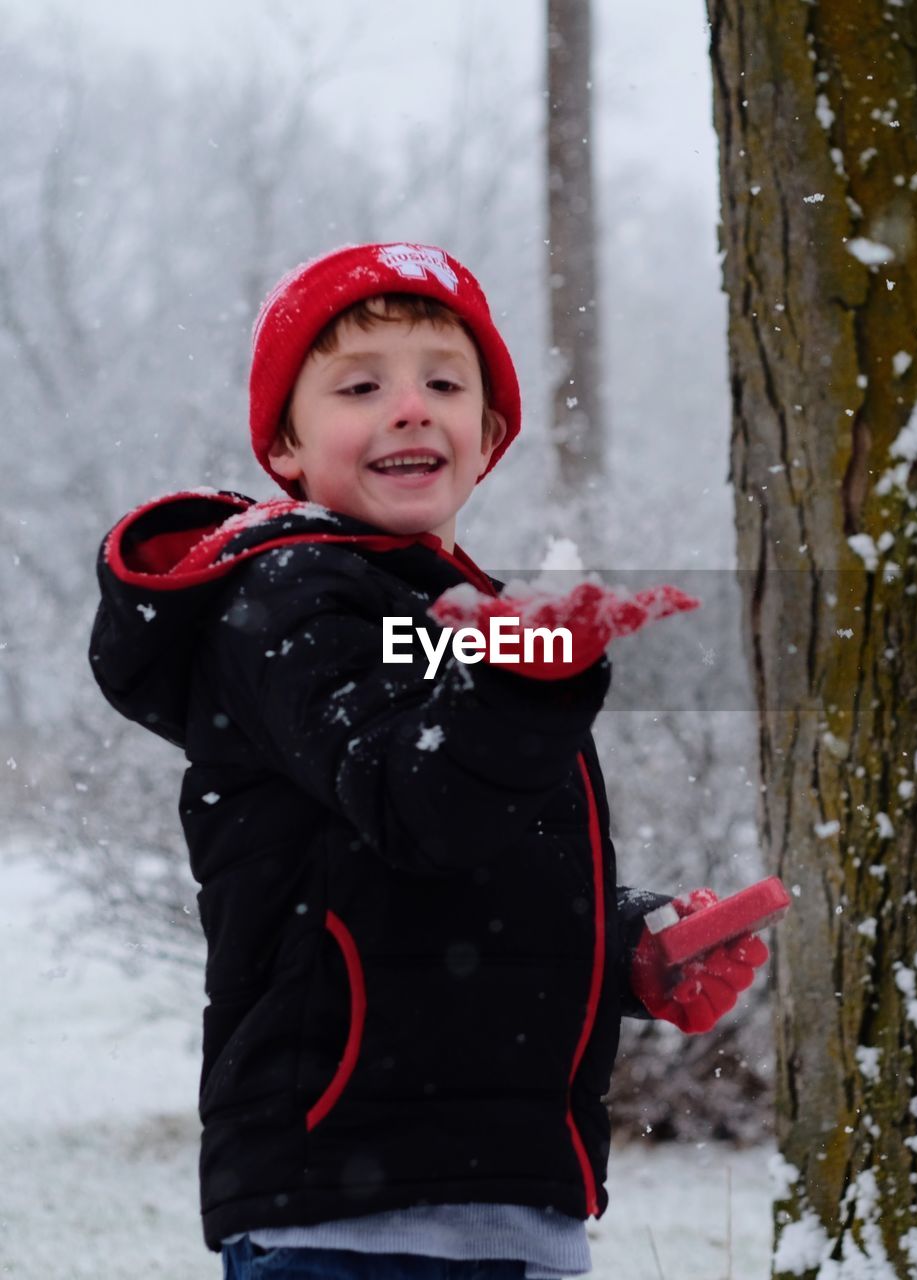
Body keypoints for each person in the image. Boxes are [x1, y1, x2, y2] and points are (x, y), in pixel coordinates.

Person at [89, 242, 769, 1280]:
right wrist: (529, 675)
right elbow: (417, 800)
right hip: (352, 1216)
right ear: (284, 443)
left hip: (508, 1207)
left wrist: (626, 939)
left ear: (489, 432)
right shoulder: (287, 599)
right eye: (362, 386)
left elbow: (461, 868)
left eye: (443, 383)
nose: (410, 407)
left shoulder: (452, 622)